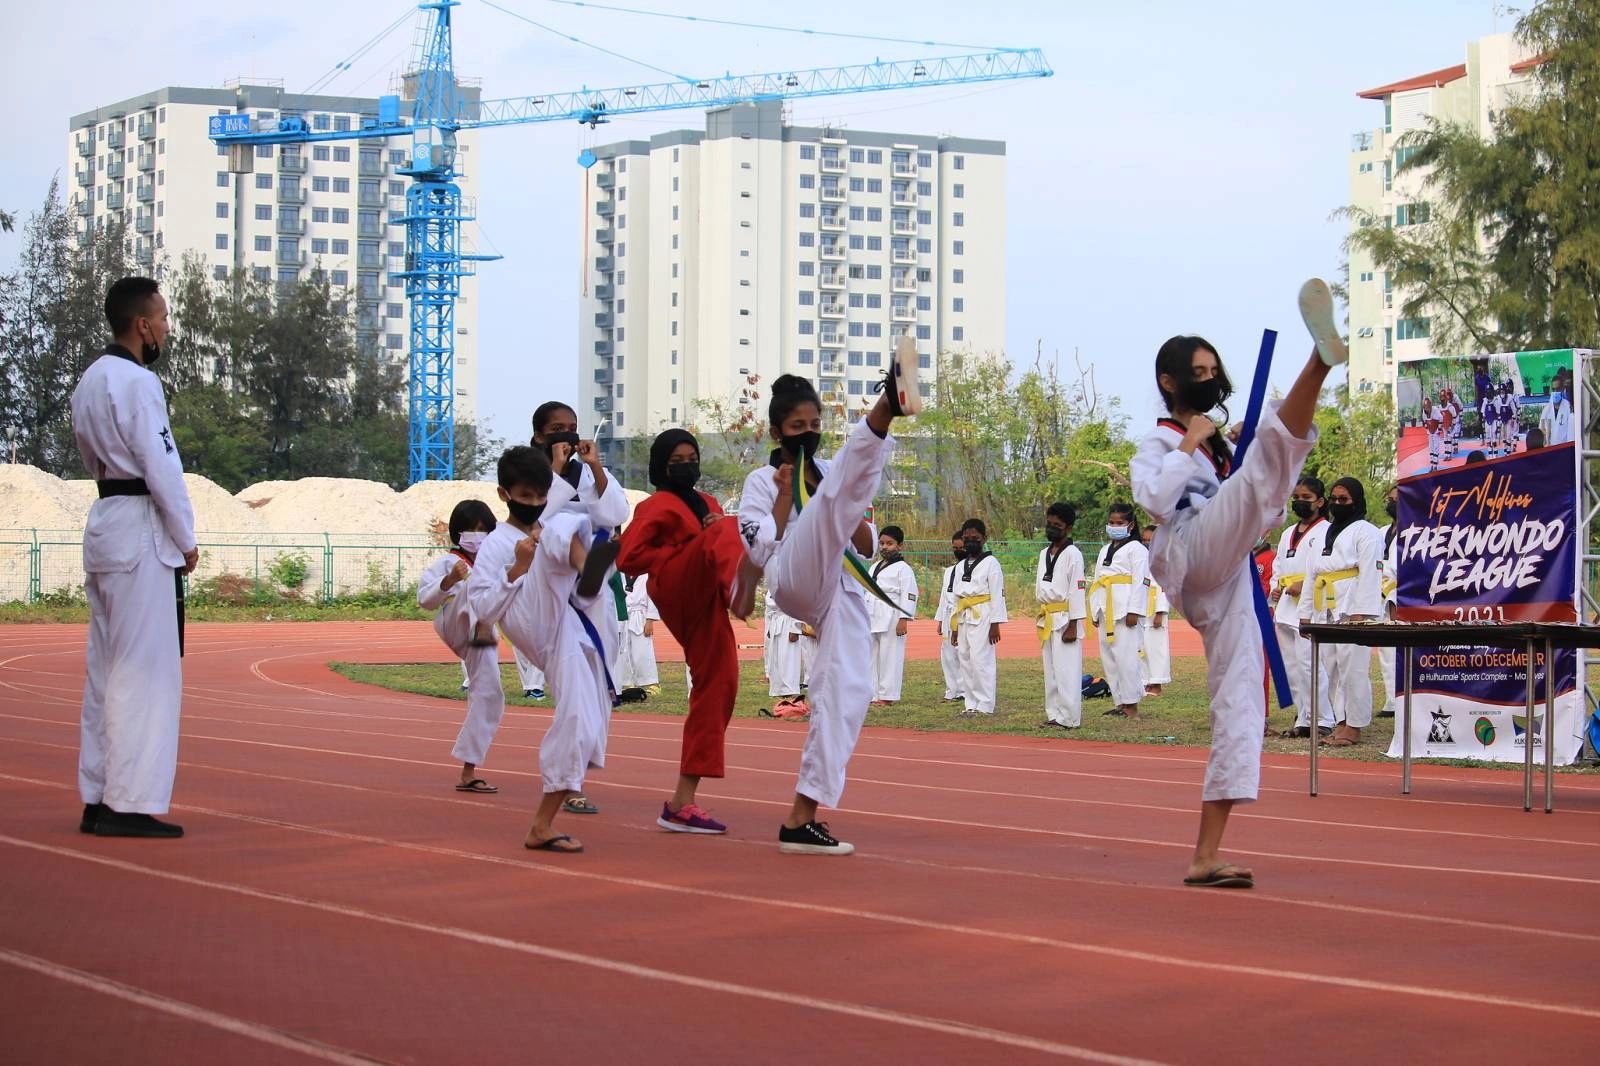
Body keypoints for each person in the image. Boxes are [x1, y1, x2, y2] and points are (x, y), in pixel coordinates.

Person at [1131, 320, 1333, 889]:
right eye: (1198, 373)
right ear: (1167, 382)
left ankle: (1206, 853)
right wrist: (1190, 442)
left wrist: (1222, 445)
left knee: (1243, 699)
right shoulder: (1160, 441)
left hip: (1231, 574)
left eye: (1214, 371)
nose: (1210, 379)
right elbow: (1153, 500)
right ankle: (1318, 363)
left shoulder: (1219, 445)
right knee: (1264, 465)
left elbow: (1255, 502)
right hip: (1192, 549)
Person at [733, 338, 919, 855]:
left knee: (849, 689)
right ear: (777, 432)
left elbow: (861, 540)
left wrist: (842, 509)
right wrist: (788, 495)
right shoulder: (760, 481)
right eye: (798, 428)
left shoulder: (832, 474)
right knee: (826, 505)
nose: (808, 434)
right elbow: (757, 546)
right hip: (790, 574)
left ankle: (802, 815)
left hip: (837, 585)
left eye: (814, 426)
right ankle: (886, 408)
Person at [71, 276, 198, 839]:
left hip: (105, 524)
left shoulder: (90, 381)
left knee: (105, 671)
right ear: (143, 325)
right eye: (164, 318)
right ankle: (130, 802)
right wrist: (186, 537)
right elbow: (161, 466)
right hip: (141, 527)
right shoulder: (139, 383)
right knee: (145, 673)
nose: (166, 327)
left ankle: (97, 796)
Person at [466, 445, 619, 853]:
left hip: (565, 624)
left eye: (539, 496)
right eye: (525, 496)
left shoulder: (544, 521)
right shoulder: (496, 544)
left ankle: (543, 824)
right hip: (528, 616)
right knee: (557, 526)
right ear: (504, 494)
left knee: (583, 719)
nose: (533, 503)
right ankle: (587, 565)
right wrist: (516, 566)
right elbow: (481, 607)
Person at [618, 428, 750, 834]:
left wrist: (712, 531)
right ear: (661, 465)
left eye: (691, 457)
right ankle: (741, 594)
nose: (686, 465)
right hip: (675, 581)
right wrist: (692, 543)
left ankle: (682, 800)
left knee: (720, 682)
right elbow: (628, 557)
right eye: (676, 460)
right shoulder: (657, 504)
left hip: (706, 595)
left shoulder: (707, 501)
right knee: (727, 527)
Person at [527, 401, 624, 815]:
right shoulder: (531, 477)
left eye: (572, 428)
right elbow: (534, 519)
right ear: (539, 437)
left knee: (598, 690)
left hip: (596, 594)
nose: (566, 436)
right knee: (573, 694)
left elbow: (616, 513)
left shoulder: (590, 474)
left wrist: (596, 467)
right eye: (556, 429)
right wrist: (553, 473)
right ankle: (567, 784)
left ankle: (575, 773)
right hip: (555, 594)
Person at [419, 500, 506, 794]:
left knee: (490, 694)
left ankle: (469, 770)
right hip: (455, 622)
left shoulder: (496, 561)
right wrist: (449, 580)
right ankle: (482, 620)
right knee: (477, 585)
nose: (476, 535)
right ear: (458, 533)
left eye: (482, 530)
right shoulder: (448, 563)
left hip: (481, 637)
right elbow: (424, 601)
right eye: (470, 529)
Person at [1304, 477, 1384, 747]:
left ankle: (1355, 725)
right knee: (1332, 668)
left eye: (1344, 500)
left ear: (1356, 501)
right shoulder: (1326, 532)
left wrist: (1363, 612)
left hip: (1353, 607)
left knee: (1354, 669)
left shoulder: (1367, 531)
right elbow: (1312, 573)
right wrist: (1306, 614)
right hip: (1326, 605)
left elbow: (1372, 571)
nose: (1338, 504)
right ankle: (1340, 721)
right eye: (1335, 499)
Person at [1271, 477, 1333, 738]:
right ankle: (1304, 716)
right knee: (1291, 665)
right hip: (1286, 604)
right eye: (1296, 497)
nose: (1299, 502)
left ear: (1319, 502)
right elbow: (1278, 566)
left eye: (1305, 498)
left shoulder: (1327, 530)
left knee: (1309, 663)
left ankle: (1324, 718)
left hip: (1312, 604)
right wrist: (1276, 586)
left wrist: (1304, 583)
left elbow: (1329, 568)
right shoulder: (1287, 533)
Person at [1090, 503, 1148, 718]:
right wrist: (1095, 609)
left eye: (1120, 523)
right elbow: (1097, 580)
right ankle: (1120, 702)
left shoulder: (1137, 549)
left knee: (1126, 658)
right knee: (1109, 657)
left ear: (1130, 525)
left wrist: (1134, 610)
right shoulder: (1105, 550)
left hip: (1125, 611)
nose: (1115, 526)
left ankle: (1131, 705)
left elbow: (1142, 581)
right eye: (1112, 523)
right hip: (1106, 608)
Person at [1036, 502, 1088, 729]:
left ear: (1067, 527)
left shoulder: (1073, 554)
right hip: (1048, 616)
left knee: (1067, 670)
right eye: (1049, 524)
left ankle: (1069, 717)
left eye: (1056, 525)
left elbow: (1077, 590)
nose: (1051, 528)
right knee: (1052, 671)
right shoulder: (1043, 553)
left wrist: (1074, 624)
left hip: (1066, 618)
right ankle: (1054, 714)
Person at [949, 518, 1007, 717]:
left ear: (984, 539)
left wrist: (995, 624)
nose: (970, 542)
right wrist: (954, 628)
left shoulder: (991, 563)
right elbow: (956, 597)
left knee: (980, 660)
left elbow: (998, 594)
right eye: (967, 538)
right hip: (964, 614)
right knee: (964, 659)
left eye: (975, 538)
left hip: (983, 614)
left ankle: (985, 704)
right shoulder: (960, 566)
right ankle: (970, 703)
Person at [867, 525, 918, 706]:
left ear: (900, 546)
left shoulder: (904, 569)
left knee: (890, 656)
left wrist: (904, 619)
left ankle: (887, 695)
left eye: (890, 543)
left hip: (892, 616)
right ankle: (871, 694)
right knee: (871, 656)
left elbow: (910, 594)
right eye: (882, 543)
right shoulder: (873, 567)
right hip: (872, 614)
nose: (884, 547)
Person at [1139, 524, 1171, 698]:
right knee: (1142, 647)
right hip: (1142, 608)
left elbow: (1165, 588)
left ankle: (1156, 683)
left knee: (1156, 647)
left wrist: (1160, 612)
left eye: (1150, 541)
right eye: (1143, 540)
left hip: (1156, 608)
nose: (1146, 543)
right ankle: (1145, 681)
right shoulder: (1141, 560)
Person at [934, 531, 967, 704]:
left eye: (961, 548)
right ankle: (951, 690)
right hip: (948, 614)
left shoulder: (972, 570)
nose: (958, 551)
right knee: (947, 654)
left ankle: (965, 690)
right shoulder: (949, 571)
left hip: (963, 613)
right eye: (955, 548)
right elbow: (943, 596)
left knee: (962, 652)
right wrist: (940, 619)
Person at [617, 572, 661, 696]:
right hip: (623, 614)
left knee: (643, 651)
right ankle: (626, 682)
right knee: (623, 650)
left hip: (640, 614)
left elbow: (653, 597)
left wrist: (650, 620)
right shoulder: (619, 572)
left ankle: (650, 683)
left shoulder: (646, 574)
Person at [1376, 485, 1399, 719]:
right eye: (1390, 499)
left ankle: (1404, 698)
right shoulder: (1380, 532)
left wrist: (1391, 593)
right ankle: (1391, 700)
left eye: (1398, 500)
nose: (1393, 504)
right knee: (1385, 651)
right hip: (1378, 596)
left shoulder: (1416, 531)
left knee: (1401, 651)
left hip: (1401, 598)